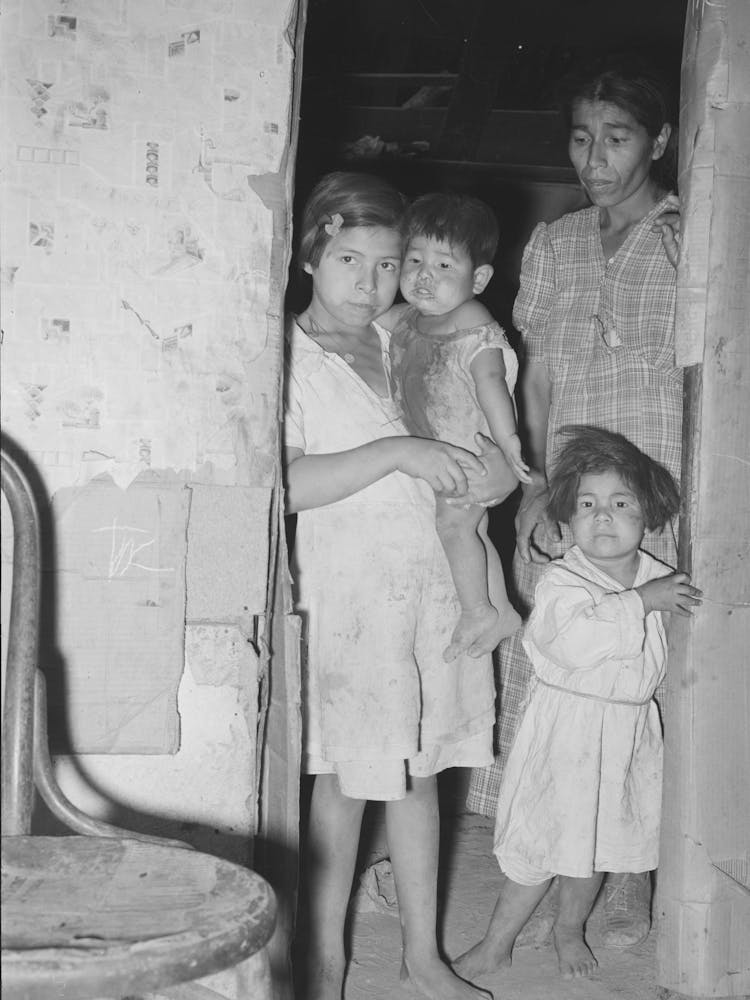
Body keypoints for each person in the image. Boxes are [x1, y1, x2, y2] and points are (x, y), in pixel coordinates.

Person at [466, 53, 684, 947]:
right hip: (570, 486)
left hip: (656, 483)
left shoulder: (693, 237)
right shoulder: (552, 244)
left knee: (646, 668)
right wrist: (530, 492)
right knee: (556, 667)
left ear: (660, 141)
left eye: (618, 137)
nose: (596, 158)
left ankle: (633, 873)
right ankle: (543, 847)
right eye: (583, 138)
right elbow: (541, 375)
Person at [283, 170, 517, 1000]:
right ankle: (324, 961)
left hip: (432, 589)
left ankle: (424, 957)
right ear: (311, 253)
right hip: (351, 601)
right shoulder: (289, 358)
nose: (371, 282)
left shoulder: (405, 336)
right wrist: (396, 454)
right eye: (350, 258)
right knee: (348, 783)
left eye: (388, 264)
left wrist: (492, 475)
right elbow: (290, 480)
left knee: (421, 774)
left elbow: (477, 426)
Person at [456, 426, 701, 982]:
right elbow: (569, 643)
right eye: (587, 505)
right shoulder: (563, 580)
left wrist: (654, 598)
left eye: (620, 504)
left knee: (595, 844)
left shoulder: (660, 579)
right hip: (568, 729)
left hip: (625, 730)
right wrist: (640, 603)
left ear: (649, 516)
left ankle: (570, 927)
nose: (603, 516)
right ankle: (498, 940)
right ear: (568, 517)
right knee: (541, 842)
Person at [388, 193, 528, 663]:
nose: (425, 275)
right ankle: (500, 608)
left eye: (445, 265)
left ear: (480, 278)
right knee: (476, 531)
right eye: (415, 260)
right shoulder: (412, 318)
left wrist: (508, 442)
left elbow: (491, 380)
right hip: (444, 449)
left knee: (455, 526)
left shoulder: (471, 320)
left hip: (469, 450)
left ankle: (477, 611)